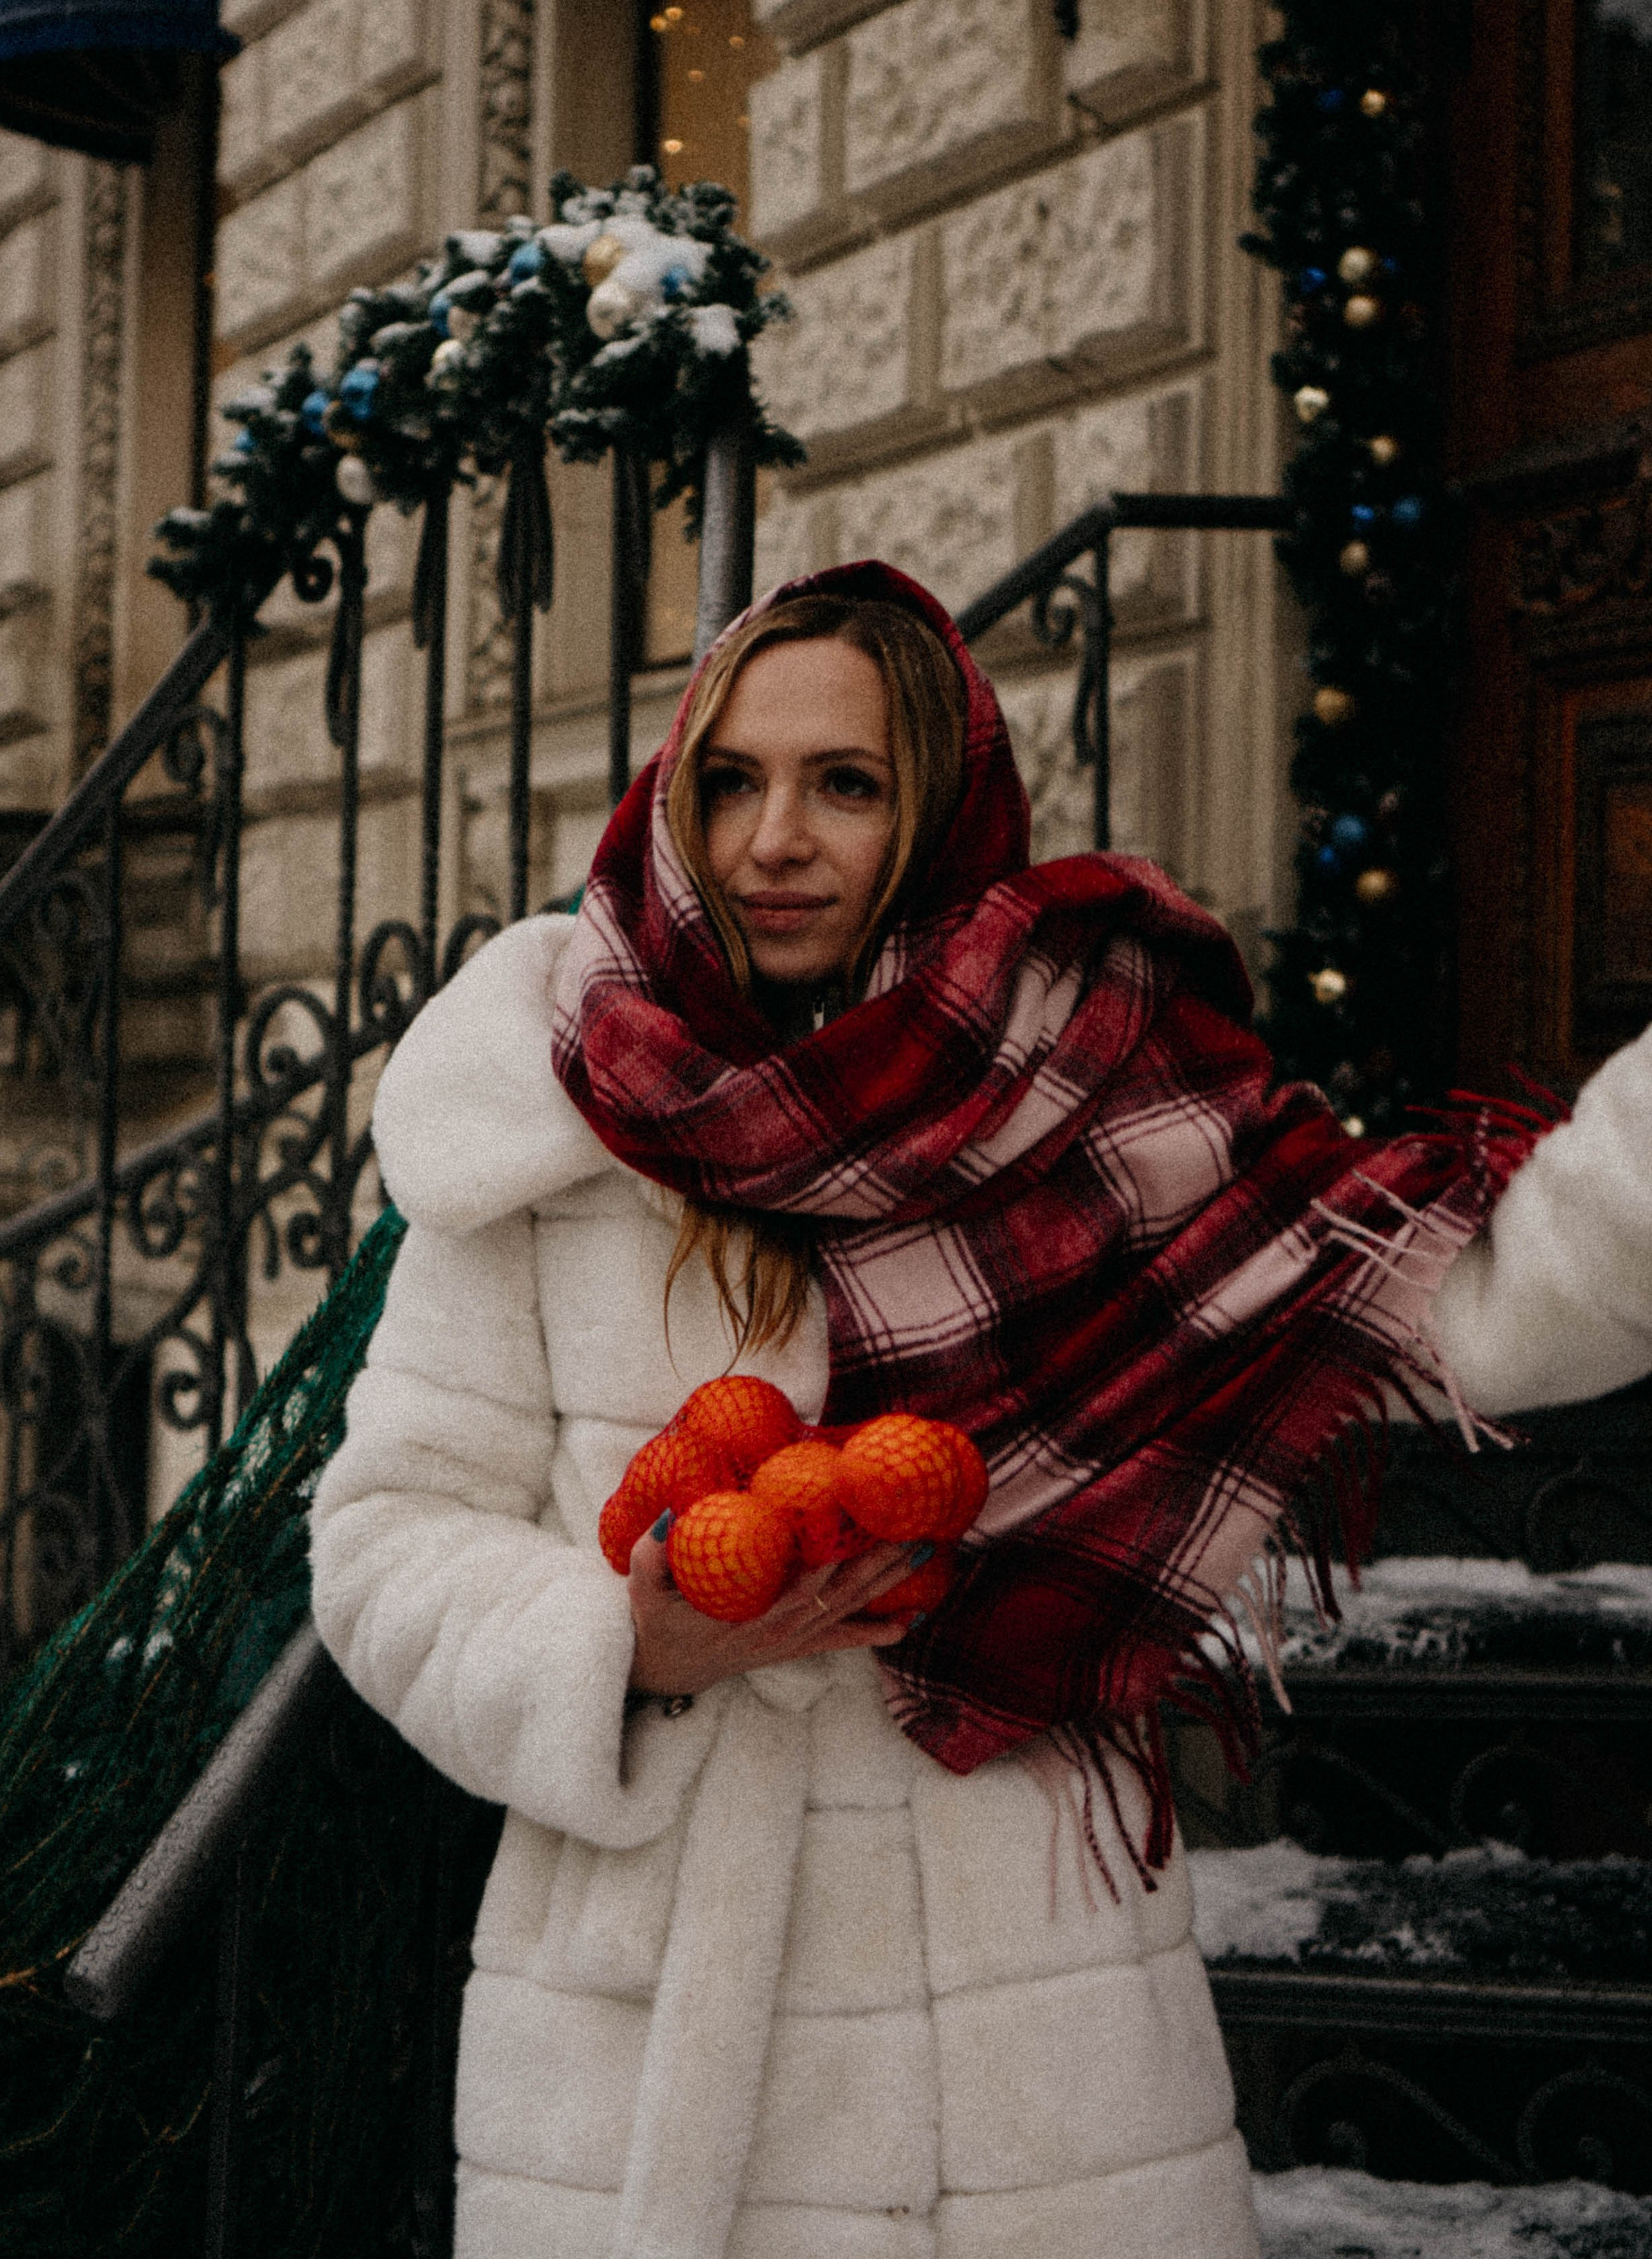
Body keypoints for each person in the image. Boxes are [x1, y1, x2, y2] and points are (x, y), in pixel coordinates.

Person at [309, 561, 1651, 2259]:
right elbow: (377, 1544)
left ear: (941, 814)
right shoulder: (553, 1129)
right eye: (730, 781)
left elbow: (1446, 1297)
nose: (770, 840)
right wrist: (623, 1648)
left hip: (1035, 2056)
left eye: (844, 785)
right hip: (660, 2047)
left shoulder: (1096, 1093)